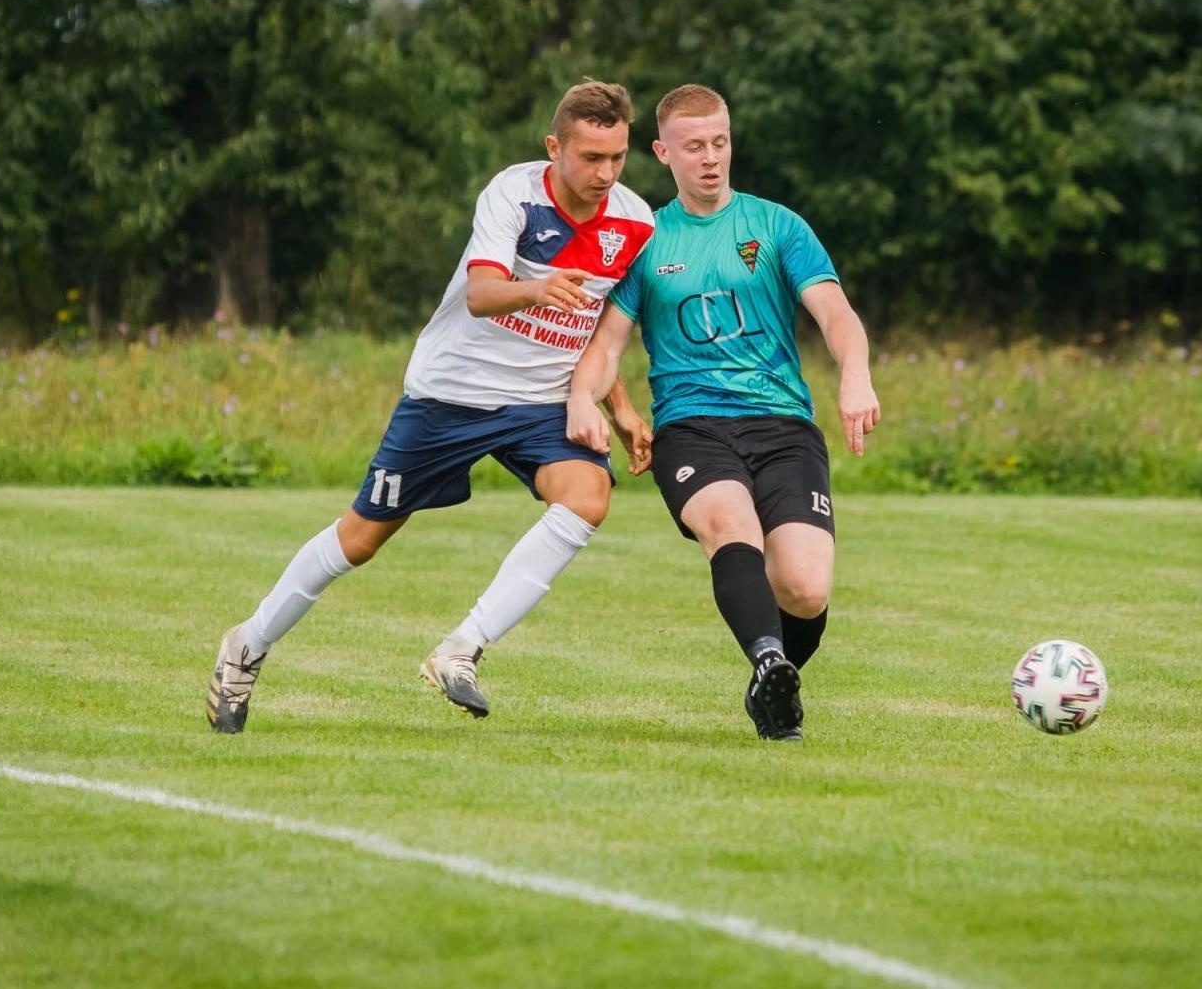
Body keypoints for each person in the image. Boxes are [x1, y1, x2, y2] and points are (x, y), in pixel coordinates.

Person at [207, 80, 656, 733]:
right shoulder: (513, 195)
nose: (605, 174)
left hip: (539, 403)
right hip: (450, 394)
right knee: (360, 540)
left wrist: (618, 406)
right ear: (554, 147)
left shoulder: (635, 220)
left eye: (617, 158)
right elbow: (481, 293)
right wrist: (539, 287)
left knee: (587, 496)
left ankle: (460, 651)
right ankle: (246, 645)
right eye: (590, 157)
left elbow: (597, 330)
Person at [567, 84, 880, 741]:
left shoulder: (777, 226)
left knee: (803, 587)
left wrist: (855, 376)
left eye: (720, 142)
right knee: (729, 525)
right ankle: (767, 659)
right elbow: (606, 348)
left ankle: (775, 683)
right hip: (692, 427)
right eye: (693, 147)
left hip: (783, 424)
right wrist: (580, 396)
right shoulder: (643, 240)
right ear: (662, 153)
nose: (710, 158)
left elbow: (836, 315)